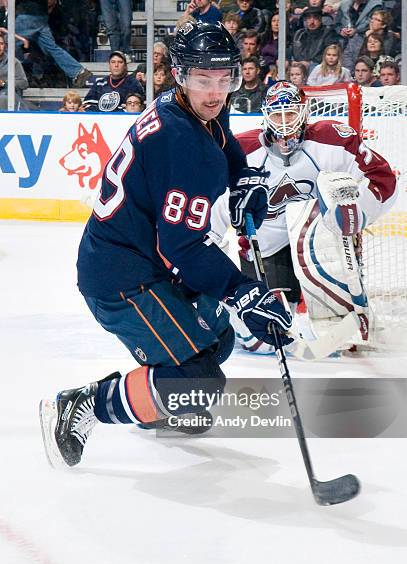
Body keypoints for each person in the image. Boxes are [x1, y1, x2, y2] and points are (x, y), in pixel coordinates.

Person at [39, 22, 292, 468]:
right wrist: (242, 291)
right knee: (198, 379)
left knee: (218, 339)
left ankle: (158, 401)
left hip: (143, 260)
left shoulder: (195, 107)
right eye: (203, 79)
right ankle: (83, 404)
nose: (215, 91)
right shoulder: (181, 143)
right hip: (122, 278)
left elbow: (224, 140)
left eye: (224, 77)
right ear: (179, 75)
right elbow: (184, 248)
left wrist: (242, 179)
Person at [210, 80, 397, 353]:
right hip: (265, 248)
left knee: (337, 329)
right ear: (265, 116)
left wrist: (357, 214)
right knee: (261, 341)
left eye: (291, 114)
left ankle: (347, 307)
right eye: (277, 115)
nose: (284, 123)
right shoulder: (242, 153)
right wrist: (209, 261)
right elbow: (212, 207)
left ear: (304, 112)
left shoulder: (333, 140)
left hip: (318, 242)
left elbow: (383, 180)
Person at [14, 0, 92, 87]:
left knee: (8, 42)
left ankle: (12, 75)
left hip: (27, 14)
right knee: (50, 48)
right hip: (40, 15)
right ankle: (78, 71)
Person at [0, 31, 28, 109]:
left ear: (4, 46)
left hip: (6, 94)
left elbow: (24, 83)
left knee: (3, 99)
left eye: (1, 44)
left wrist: (3, 83)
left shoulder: (13, 62)